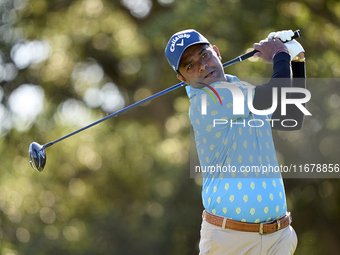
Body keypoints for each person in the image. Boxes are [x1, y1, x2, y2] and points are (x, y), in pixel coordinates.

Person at [165, 29, 306, 255]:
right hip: (231, 242)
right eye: (189, 66)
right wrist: (280, 53)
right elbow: (275, 94)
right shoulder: (208, 100)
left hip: (278, 238)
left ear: (217, 53)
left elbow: (291, 117)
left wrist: (296, 60)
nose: (201, 66)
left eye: (203, 55)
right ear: (182, 79)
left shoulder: (239, 88)